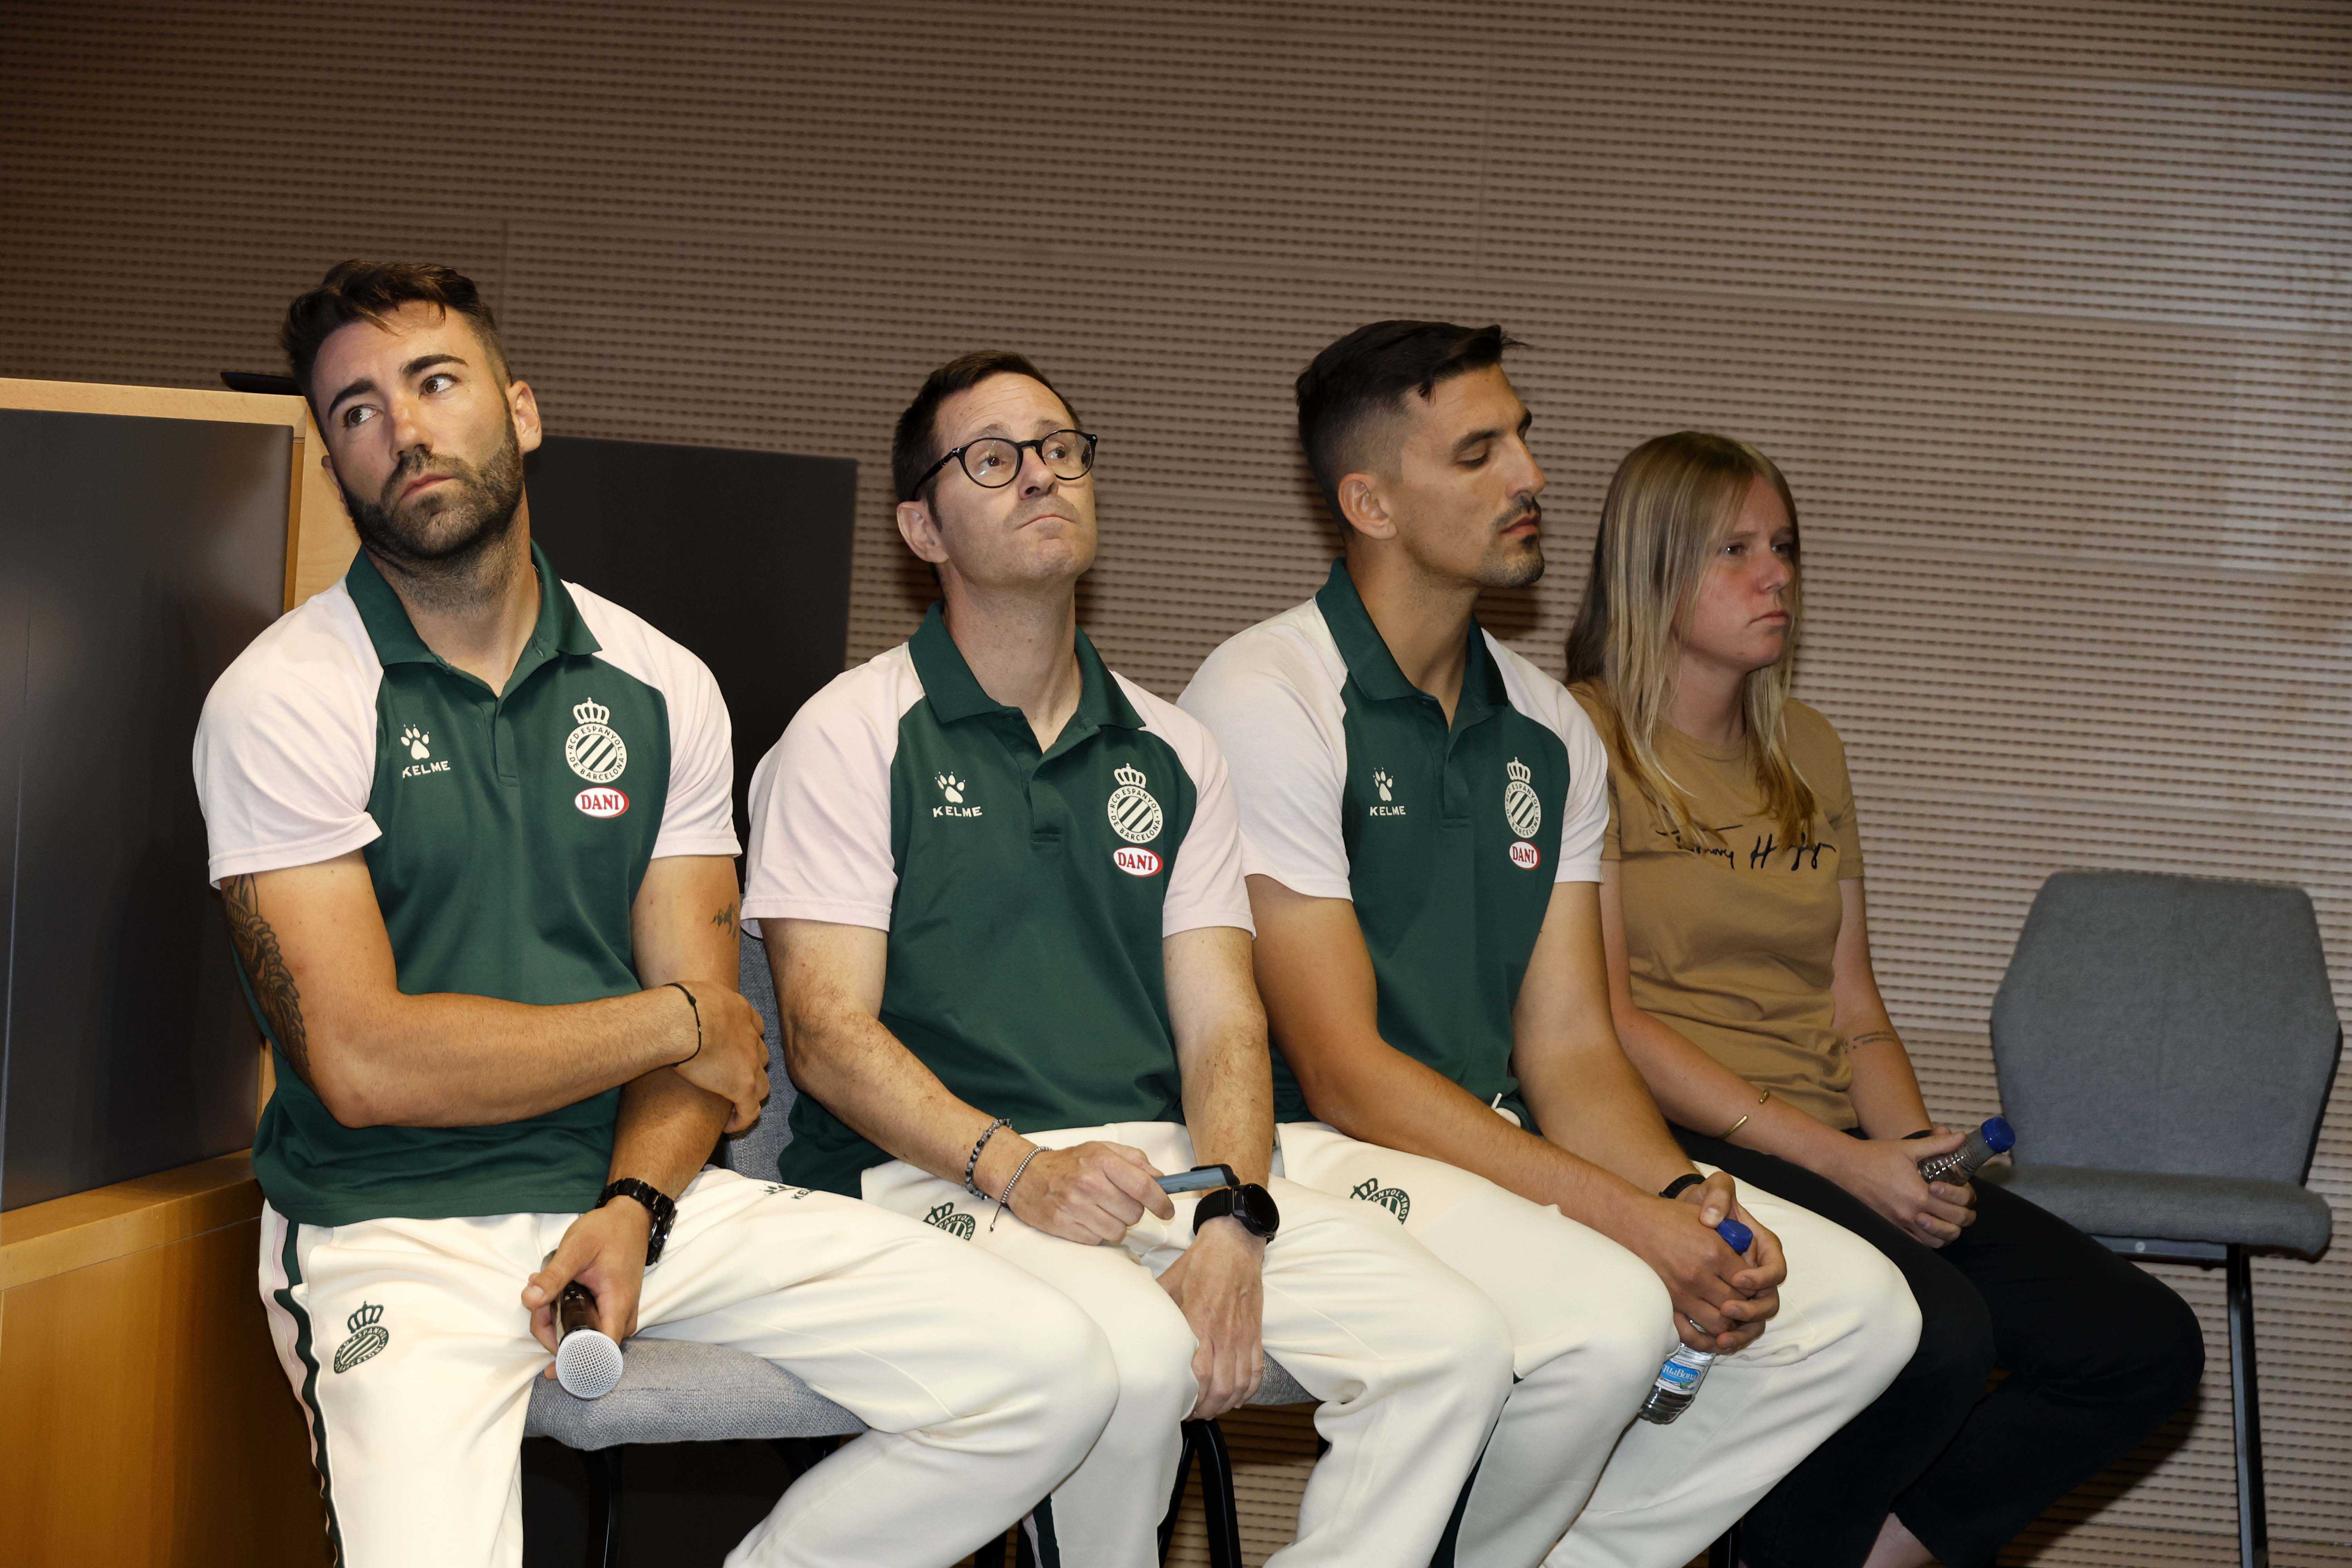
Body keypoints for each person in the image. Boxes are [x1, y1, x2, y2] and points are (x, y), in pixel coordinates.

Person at [195, 262, 1116, 1567]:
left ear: (521, 412)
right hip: (394, 1230)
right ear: (332, 457)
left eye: (435, 382)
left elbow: (717, 1056)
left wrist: (635, 1201)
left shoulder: (661, 683)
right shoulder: (283, 698)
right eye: (356, 410)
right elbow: (362, 1062)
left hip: (644, 1201)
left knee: (1054, 1370)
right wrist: (672, 1018)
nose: (402, 429)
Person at [742, 350, 1516, 1568]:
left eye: (1060, 449)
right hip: (930, 1177)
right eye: (991, 460)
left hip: (1155, 1172)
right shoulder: (851, 734)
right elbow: (827, 1036)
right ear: (922, 529)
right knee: (1139, 1362)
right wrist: (1019, 1171)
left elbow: (1225, 1028)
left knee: (1456, 1347)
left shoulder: (1174, 750)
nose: (1039, 475)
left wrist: (1233, 1216)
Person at [1180, 320, 1922, 1568]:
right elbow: (1345, 1071)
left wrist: (1681, 1198)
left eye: (1522, 439)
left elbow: (1571, 1044)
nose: (1530, 476)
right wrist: (1632, 1222)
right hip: (1306, 1152)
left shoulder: (1549, 728)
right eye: (1479, 454)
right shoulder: (1269, 695)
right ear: (1369, 502)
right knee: (1610, 1320)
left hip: (1482, 1149)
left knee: (1861, 1317)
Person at [1561, 428, 2205, 1568]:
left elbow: (1852, 1002)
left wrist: (1914, 1162)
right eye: (1736, 551)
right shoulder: (1581, 737)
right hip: (1680, 1143)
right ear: (1651, 567)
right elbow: (1607, 1021)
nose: (1777, 576)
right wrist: (1848, 1164)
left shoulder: (1807, 746)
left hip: (1833, 1147)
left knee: (2140, 1345)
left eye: (1785, 547)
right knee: (1936, 1339)